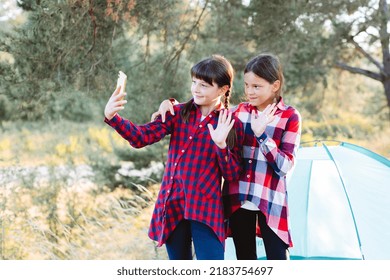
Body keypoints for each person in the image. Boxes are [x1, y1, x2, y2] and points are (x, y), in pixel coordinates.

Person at [151, 53, 301, 260]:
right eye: (247, 85)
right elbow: (205, 106)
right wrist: (169, 103)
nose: (249, 91)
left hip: (270, 199)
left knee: (278, 260)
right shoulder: (237, 113)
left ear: (274, 86)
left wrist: (262, 136)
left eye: (256, 86)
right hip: (237, 200)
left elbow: (284, 167)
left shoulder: (289, 117)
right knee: (245, 260)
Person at [104, 55, 244, 260]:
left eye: (204, 85)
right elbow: (141, 137)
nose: (196, 89)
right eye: (194, 82)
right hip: (173, 205)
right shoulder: (177, 113)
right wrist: (113, 118)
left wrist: (221, 145)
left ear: (222, 90)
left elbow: (232, 174)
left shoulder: (232, 123)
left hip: (206, 209)